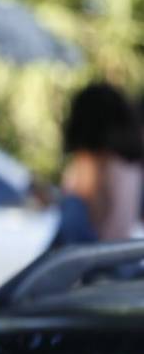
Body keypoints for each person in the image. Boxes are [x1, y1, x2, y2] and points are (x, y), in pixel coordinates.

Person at [55, 82, 144, 244]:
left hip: (90, 264)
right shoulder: (130, 167)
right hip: (114, 262)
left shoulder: (93, 164)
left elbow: (79, 235)